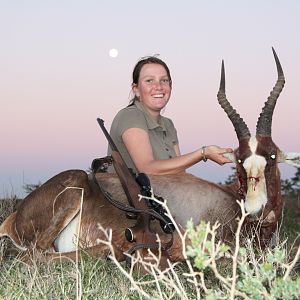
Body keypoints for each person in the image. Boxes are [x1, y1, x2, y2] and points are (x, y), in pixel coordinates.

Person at [108, 56, 233, 175]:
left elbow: (179, 173)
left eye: (164, 80)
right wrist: (203, 153)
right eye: (149, 81)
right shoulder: (130, 115)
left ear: (170, 86)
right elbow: (147, 169)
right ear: (136, 89)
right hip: (128, 197)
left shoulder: (168, 124)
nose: (158, 87)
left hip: (164, 196)